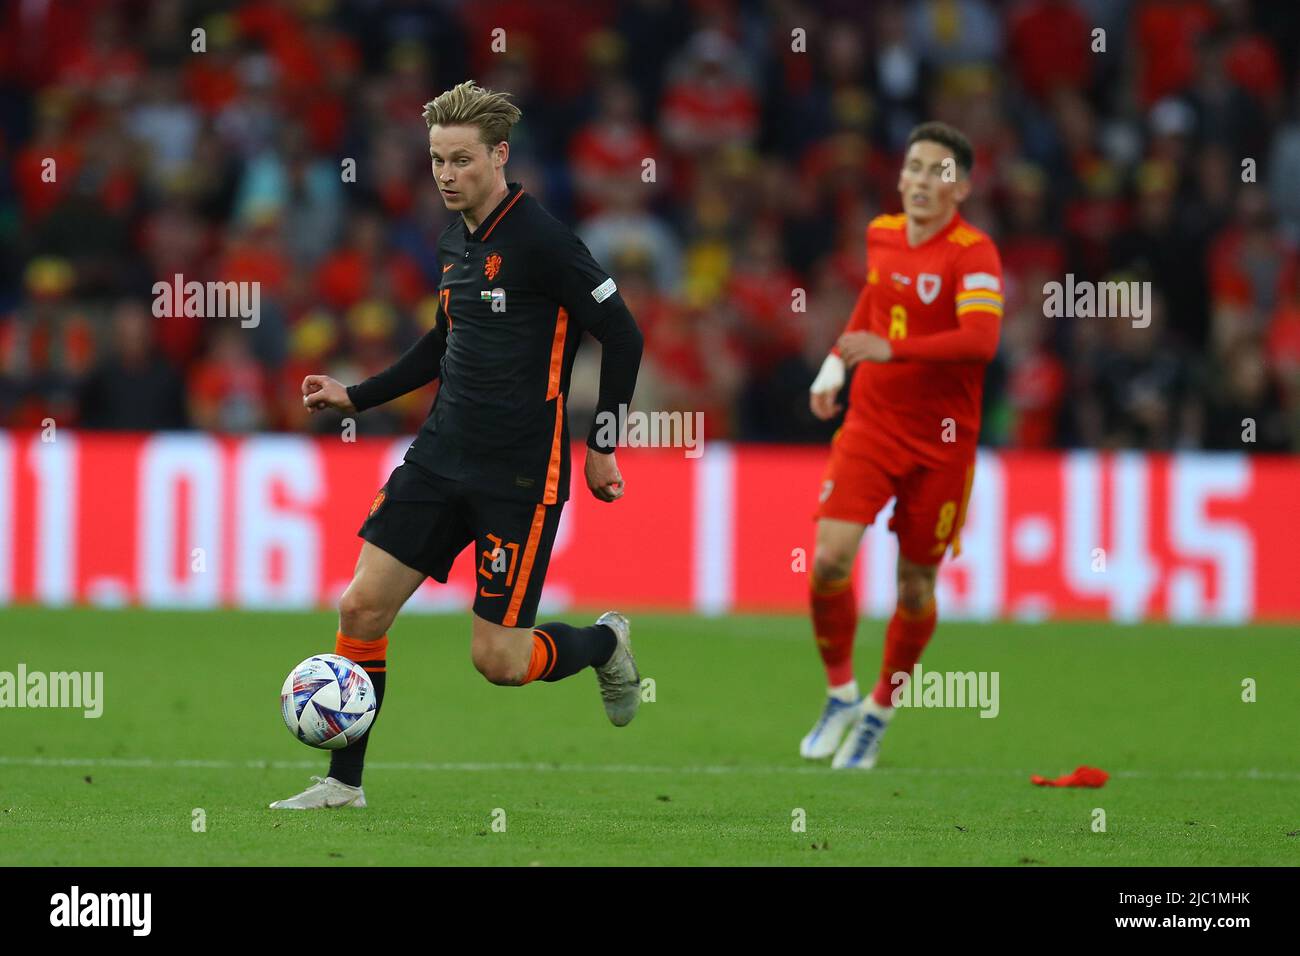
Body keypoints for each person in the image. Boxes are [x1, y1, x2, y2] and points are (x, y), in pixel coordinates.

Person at [272, 81, 645, 809]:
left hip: (517, 476)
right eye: (437, 160)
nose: (446, 175)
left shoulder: (542, 240)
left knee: (498, 661)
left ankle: (604, 644)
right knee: (360, 609)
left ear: (499, 155)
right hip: (439, 458)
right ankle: (343, 785)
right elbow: (444, 343)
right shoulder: (452, 241)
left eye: (462, 160)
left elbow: (623, 333)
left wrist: (603, 444)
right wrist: (359, 394)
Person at [802, 122, 1004, 769]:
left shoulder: (974, 255)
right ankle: (840, 694)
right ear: (900, 176)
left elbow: (980, 342)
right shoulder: (881, 235)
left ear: (962, 187)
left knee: (915, 585)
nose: (921, 180)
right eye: (914, 167)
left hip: (943, 446)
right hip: (872, 425)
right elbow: (874, 300)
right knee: (830, 559)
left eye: (938, 171)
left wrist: (894, 349)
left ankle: (879, 712)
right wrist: (839, 358)